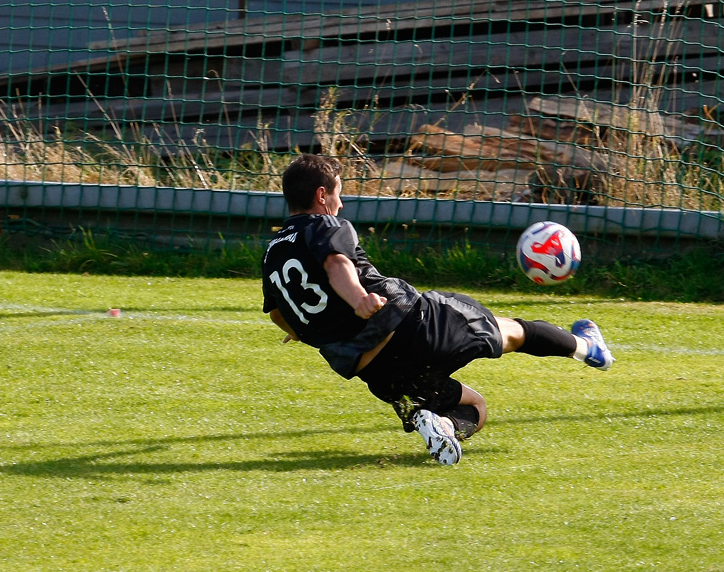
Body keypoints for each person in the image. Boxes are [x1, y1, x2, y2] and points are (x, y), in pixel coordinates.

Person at [261, 154, 614, 465]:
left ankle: (443, 425)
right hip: (410, 327)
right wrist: (358, 299)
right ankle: (588, 348)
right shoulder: (324, 224)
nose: (341, 203)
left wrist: (311, 326)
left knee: (475, 408)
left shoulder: (272, 253)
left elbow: (279, 315)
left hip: (376, 372)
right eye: (338, 192)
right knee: (512, 331)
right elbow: (338, 263)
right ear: (321, 195)